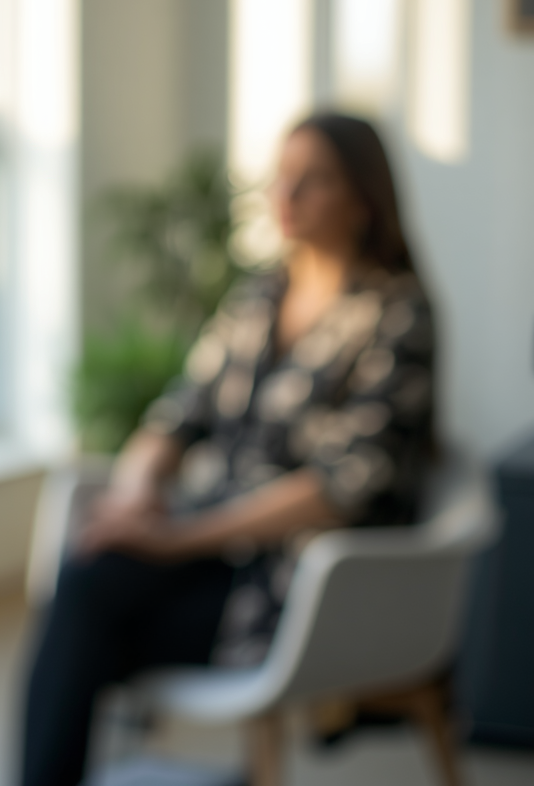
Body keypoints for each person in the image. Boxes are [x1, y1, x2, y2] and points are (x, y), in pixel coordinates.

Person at [22, 113, 436, 786]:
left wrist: (177, 537)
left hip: (309, 580)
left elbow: (340, 488)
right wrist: (138, 491)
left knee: (88, 626)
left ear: (364, 198)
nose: (288, 195)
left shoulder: (398, 315)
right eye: (282, 177)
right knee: (90, 577)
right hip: (218, 545)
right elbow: (177, 416)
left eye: (314, 180)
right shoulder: (260, 296)